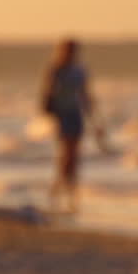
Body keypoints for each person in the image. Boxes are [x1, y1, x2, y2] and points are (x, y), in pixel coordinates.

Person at [41, 39, 103, 215]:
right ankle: (61, 189)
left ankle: (69, 191)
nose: (72, 54)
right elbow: (48, 93)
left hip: (76, 114)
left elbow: (85, 95)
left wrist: (95, 120)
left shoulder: (80, 70)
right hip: (63, 114)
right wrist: (49, 112)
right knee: (66, 154)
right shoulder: (55, 69)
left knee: (74, 155)